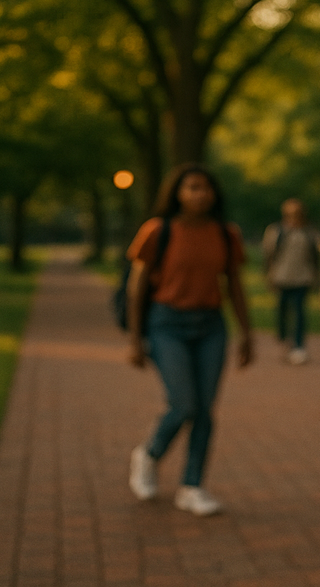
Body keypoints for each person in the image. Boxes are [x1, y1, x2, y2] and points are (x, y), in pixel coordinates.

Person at [125, 164, 254, 517]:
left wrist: (247, 334)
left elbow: (235, 285)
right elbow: (137, 288)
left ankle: (192, 486)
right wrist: (135, 340)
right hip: (167, 324)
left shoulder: (225, 234)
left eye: (206, 188)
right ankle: (149, 454)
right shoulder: (158, 231)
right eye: (192, 187)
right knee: (184, 404)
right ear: (178, 193)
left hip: (211, 325)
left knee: (205, 409)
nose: (201, 194)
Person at [262, 198, 320, 365]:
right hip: (281, 278)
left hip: (303, 279)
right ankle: (284, 340)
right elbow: (269, 256)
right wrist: (268, 275)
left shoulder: (310, 233)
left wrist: (317, 278)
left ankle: (298, 346)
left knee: (300, 313)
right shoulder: (276, 232)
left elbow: (315, 258)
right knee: (281, 312)